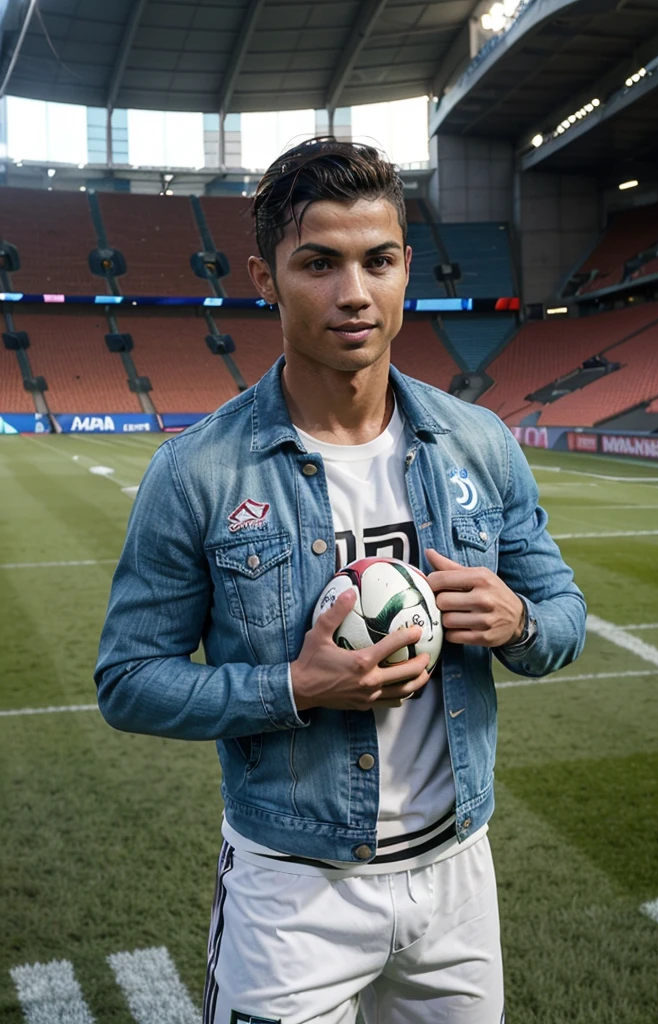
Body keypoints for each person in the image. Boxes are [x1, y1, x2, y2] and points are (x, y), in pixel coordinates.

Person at [95, 138, 586, 1024]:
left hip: (456, 878)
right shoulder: (197, 473)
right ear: (265, 276)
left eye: (379, 261)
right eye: (318, 263)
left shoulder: (481, 442)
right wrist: (296, 686)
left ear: (405, 270)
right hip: (293, 895)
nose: (354, 294)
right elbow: (128, 683)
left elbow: (563, 619)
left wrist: (517, 624)